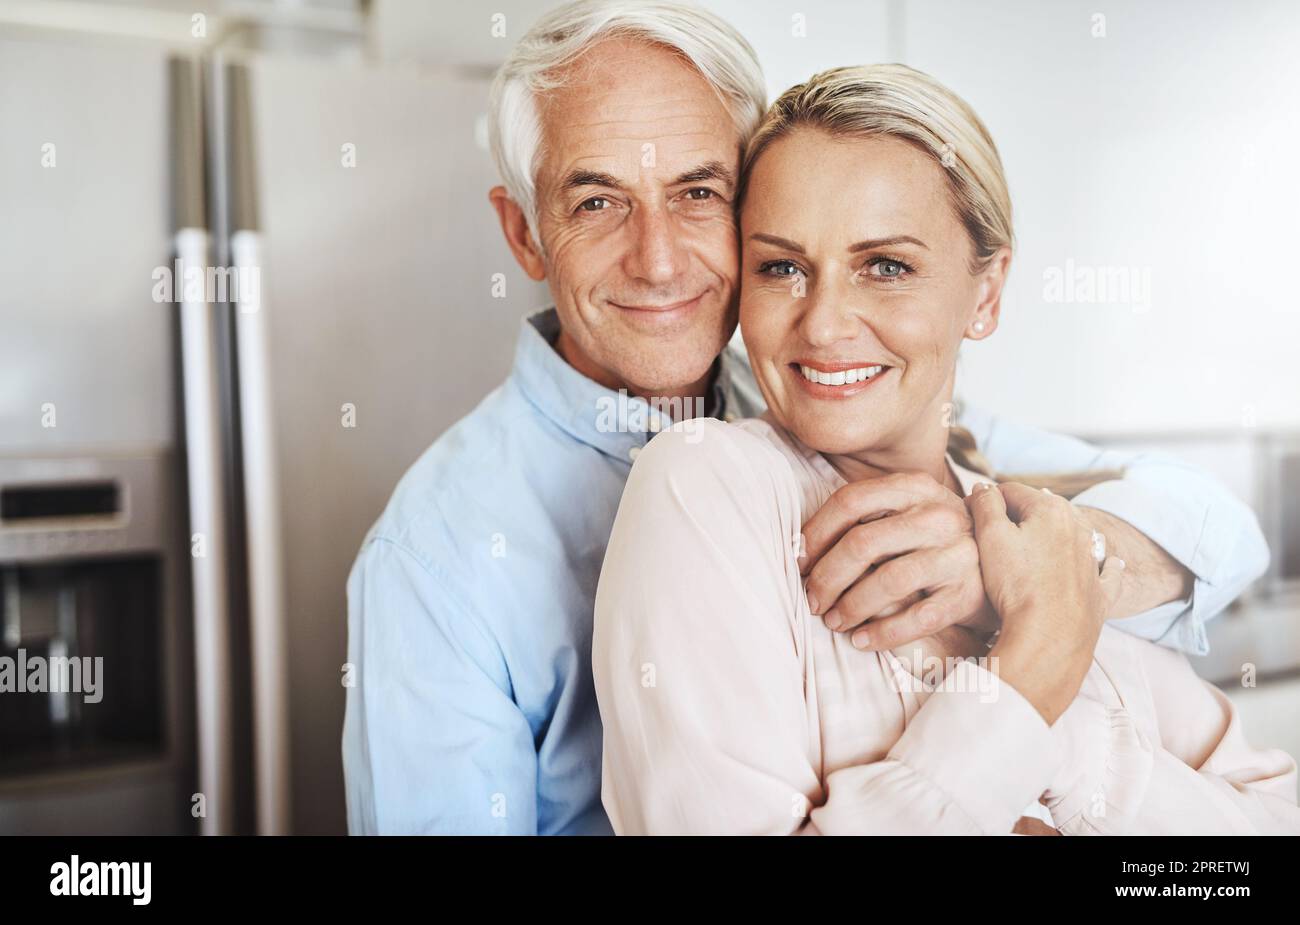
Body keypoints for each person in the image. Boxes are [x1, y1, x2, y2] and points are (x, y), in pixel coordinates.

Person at [342, 0, 1268, 835]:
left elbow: (1216, 526)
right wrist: (1024, 690)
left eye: (700, 193)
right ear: (523, 234)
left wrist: (1052, 566)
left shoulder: (852, 415)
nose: (659, 261)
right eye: (596, 202)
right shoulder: (437, 558)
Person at [591, 63, 1298, 835]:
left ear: (987, 292)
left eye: (885, 266)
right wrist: (1025, 680)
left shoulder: (1039, 543)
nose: (824, 324)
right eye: (782, 267)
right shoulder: (703, 484)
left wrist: (1069, 733)